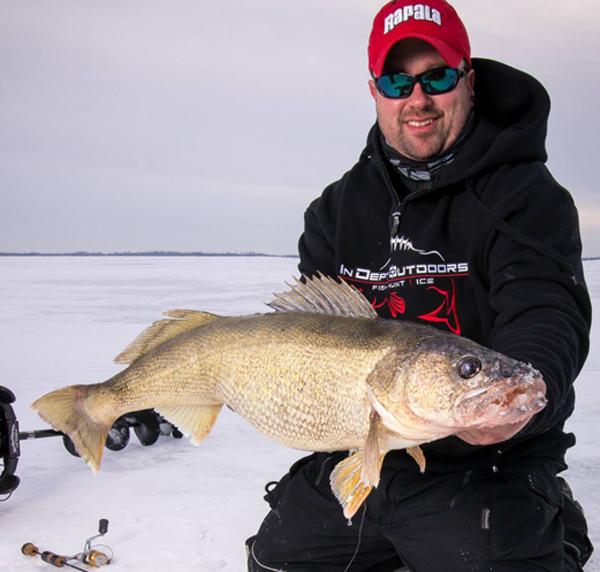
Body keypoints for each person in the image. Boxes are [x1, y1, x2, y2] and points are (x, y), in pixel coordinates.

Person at [247, 1, 594, 570]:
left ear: (468, 81)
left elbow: (545, 307)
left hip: (484, 461)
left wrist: (520, 395)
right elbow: (313, 329)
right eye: (396, 81)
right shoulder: (335, 210)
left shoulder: (526, 197)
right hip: (372, 447)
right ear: (375, 90)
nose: (418, 99)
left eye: (437, 77)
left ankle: (551, 513)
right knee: (277, 561)